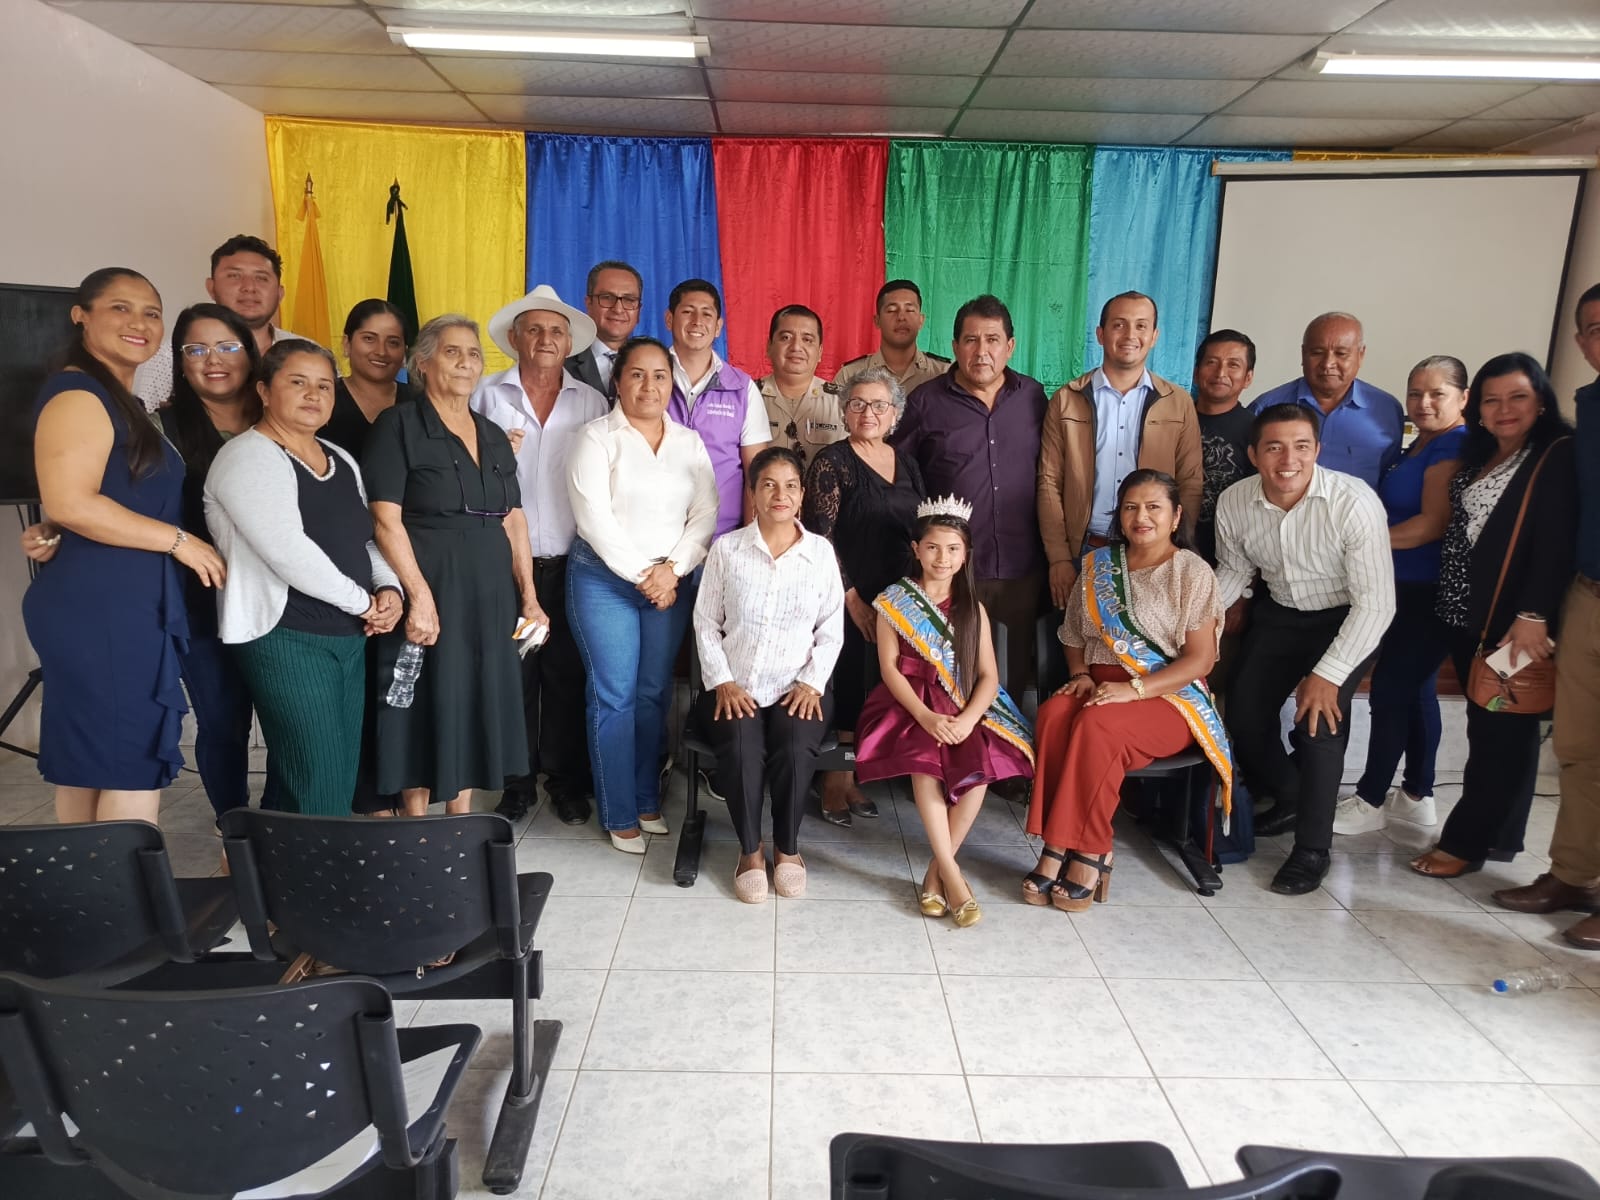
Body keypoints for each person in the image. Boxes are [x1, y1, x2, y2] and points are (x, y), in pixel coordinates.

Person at [23, 268, 225, 824]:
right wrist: (180, 542)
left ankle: (91, 880)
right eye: (120, 307)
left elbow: (89, 499)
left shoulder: (121, 400)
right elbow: (70, 501)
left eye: (151, 312)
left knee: (94, 762)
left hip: (122, 601)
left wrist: (53, 527)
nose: (138, 322)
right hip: (102, 607)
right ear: (81, 316)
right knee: (128, 762)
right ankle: (127, 881)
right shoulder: (79, 395)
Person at [204, 342, 402, 815]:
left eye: (324, 386)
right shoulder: (247, 456)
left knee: (324, 769)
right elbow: (288, 553)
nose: (313, 395)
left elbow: (366, 539)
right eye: (298, 382)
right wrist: (364, 604)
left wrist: (388, 589)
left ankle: (265, 857)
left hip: (348, 634)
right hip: (286, 637)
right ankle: (320, 864)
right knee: (319, 778)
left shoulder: (339, 458)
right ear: (264, 391)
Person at [363, 316, 545, 816]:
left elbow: (513, 519)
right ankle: (416, 824)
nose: (466, 362)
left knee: (474, 698)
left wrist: (529, 598)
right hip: (432, 585)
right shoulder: (398, 426)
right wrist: (419, 597)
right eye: (452, 352)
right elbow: (384, 520)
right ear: (422, 364)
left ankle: (459, 819)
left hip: (490, 594)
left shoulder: (493, 434)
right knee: (424, 699)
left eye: (473, 354)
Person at [1024, 471, 1229, 911]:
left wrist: (1134, 690)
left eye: (1154, 507)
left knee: (1097, 723)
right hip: (1100, 686)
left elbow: (1200, 660)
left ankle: (1090, 848)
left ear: (1176, 516)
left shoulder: (1191, 572)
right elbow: (1073, 634)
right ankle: (1056, 844)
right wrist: (1080, 674)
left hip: (1168, 698)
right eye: (1131, 507)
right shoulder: (1098, 566)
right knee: (1055, 714)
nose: (1141, 517)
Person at [1215, 404, 1394, 894]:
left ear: (1317, 450)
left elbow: (1377, 604)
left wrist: (1328, 674)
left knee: (1319, 726)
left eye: (1300, 447)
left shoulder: (1353, 502)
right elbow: (1234, 570)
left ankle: (1313, 850)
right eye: (1274, 448)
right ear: (1254, 454)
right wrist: (1192, 622)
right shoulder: (1235, 501)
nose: (1287, 460)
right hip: (1280, 613)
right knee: (1244, 715)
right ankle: (1292, 795)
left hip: (1347, 618)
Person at [1409, 354, 1577, 879]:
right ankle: (1497, 837)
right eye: (1492, 399)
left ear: (1541, 401)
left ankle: (1466, 842)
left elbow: (1555, 545)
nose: (1504, 409)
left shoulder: (1553, 456)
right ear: (1477, 407)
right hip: (1469, 614)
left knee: (1500, 736)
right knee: (1495, 729)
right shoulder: (1485, 453)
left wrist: (1533, 614)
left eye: (1518, 397)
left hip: (1513, 620)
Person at [567, 336, 719, 853]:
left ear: (671, 383)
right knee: (615, 696)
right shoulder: (596, 438)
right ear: (618, 381)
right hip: (604, 581)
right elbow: (594, 520)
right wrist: (647, 575)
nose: (649, 385)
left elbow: (705, 513)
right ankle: (619, 811)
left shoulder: (688, 442)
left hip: (669, 581)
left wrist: (672, 571)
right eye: (637, 374)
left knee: (654, 693)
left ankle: (646, 797)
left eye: (659, 375)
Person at [855, 497, 1035, 928]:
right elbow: (889, 669)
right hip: (908, 705)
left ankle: (937, 872)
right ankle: (953, 877)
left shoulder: (974, 609)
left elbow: (988, 676)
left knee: (982, 761)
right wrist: (925, 716)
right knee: (926, 761)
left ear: (965, 555)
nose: (943, 558)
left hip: (961, 704)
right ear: (916, 549)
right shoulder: (893, 601)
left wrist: (969, 718)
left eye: (953, 549)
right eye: (933, 547)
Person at [475, 284, 608, 825]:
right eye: (534, 329)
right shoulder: (486, 396)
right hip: (508, 566)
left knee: (567, 676)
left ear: (570, 342)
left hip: (574, 565)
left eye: (556, 331)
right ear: (514, 338)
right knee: (514, 679)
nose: (546, 339)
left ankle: (566, 781)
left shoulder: (592, 402)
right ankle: (516, 783)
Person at [1495, 283, 1600, 946]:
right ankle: (1573, 874)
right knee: (1579, 748)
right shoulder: (1588, 408)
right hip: (1588, 594)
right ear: (1581, 341)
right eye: (1594, 328)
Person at [694, 447, 845, 901]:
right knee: (742, 747)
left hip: (800, 686)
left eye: (791, 485)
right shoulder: (727, 550)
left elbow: (831, 628)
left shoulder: (820, 553)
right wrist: (722, 681)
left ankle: (788, 848)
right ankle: (750, 851)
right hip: (733, 684)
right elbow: (705, 622)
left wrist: (811, 682)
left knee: (795, 745)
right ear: (753, 493)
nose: (781, 495)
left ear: (802, 495)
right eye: (770, 485)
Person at [1333, 357, 1469, 837]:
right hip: (1401, 584)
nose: (1423, 403)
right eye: (1415, 393)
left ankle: (1371, 799)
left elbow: (1431, 524)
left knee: (1391, 689)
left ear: (1463, 398)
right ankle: (1417, 795)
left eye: (1437, 394)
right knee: (1417, 690)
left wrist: (1355, 541)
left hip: (1426, 589)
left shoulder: (1452, 444)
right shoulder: (1419, 444)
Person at [892, 294, 1047, 697]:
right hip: (950, 571)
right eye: (971, 340)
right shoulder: (925, 402)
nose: (982, 351)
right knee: (950, 680)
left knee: (1010, 682)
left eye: (992, 340)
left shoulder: (1033, 397)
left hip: (1021, 565)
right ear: (955, 345)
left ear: (1010, 346)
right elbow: (901, 481)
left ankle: (1005, 738)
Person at [802, 369, 926, 826]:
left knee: (882, 681)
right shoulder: (832, 461)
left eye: (878, 405)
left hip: (899, 597)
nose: (867, 413)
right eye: (857, 404)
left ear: (894, 414)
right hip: (847, 594)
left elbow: (921, 528)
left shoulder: (907, 462)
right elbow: (820, 539)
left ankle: (861, 770)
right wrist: (851, 598)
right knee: (849, 679)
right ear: (844, 412)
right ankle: (835, 778)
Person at [1038, 291, 1203, 611]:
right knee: (1077, 638)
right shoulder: (1067, 399)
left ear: (1154, 336)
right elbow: (1048, 481)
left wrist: (1177, 545)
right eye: (1119, 325)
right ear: (1100, 334)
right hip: (1086, 550)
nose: (1130, 335)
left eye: (1141, 326)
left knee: (1148, 640)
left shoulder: (1178, 402)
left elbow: (1190, 481)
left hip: (1156, 553)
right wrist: (1058, 557)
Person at [160, 304, 262, 820]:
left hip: (279, 597)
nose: (213, 359)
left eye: (227, 346)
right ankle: (235, 827)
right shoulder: (159, 429)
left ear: (251, 353)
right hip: (200, 600)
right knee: (223, 720)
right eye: (196, 349)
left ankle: (281, 822)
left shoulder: (280, 414)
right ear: (181, 363)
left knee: (292, 719)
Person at [133, 234, 307, 410]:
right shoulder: (169, 356)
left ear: (280, 293)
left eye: (261, 278)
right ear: (211, 288)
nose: (249, 287)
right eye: (234, 276)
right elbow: (147, 422)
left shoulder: (307, 352)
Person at [665, 279, 771, 537]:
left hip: (721, 539)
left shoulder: (742, 388)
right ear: (669, 319)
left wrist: (746, 541)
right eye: (687, 311)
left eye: (707, 314)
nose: (697, 321)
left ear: (718, 327)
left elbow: (756, 474)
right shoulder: (649, 380)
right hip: (656, 539)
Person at [1249, 312, 1403, 489]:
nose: (1328, 363)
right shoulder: (1265, 407)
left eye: (1341, 353)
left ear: (1361, 355)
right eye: (1317, 353)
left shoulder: (1386, 410)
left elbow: (1388, 477)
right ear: (1303, 354)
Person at [1191, 329, 1259, 564]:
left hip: (1229, 558)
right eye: (1212, 362)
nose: (1220, 373)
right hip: (1167, 548)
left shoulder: (1257, 432)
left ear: (1248, 377)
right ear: (1196, 372)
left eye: (1233, 365)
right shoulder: (1173, 419)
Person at [320, 299, 412, 460]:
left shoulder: (421, 403)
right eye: (369, 339)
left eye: (393, 342)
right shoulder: (321, 398)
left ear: (404, 351)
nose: (381, 351)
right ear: (347, 344)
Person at [759, 304, 844, 469]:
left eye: (807, 340)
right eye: (786, 337)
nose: (796, 347)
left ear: (820, 352)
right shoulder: (748, 398)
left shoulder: (843, 402)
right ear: (769, 346)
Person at [832, 280, 950, 398]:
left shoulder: (945, 373)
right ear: (877, 321)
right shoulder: (849, 376)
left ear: (921, 320)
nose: (901, 317)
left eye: (909, 310)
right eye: (892, 310)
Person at [567, 260, 644, 395]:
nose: (618, 309)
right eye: (607, 297)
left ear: (638, 311)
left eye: (629, 300)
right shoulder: (562, 361)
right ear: (589, 304)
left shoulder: (651, 363)